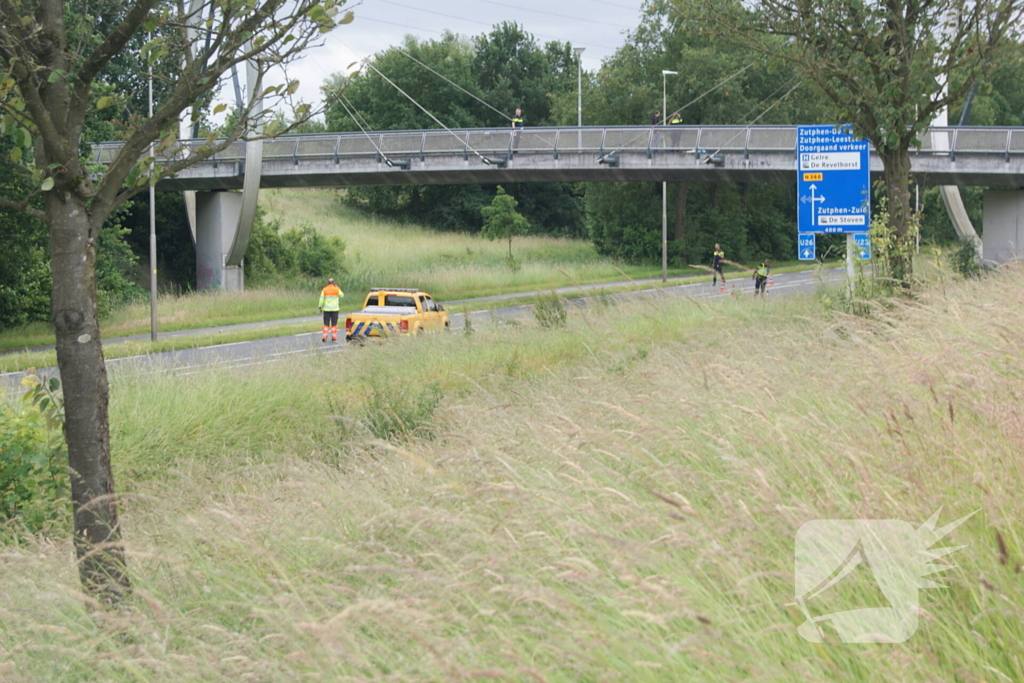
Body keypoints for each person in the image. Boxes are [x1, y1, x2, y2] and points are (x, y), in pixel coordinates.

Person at [318, 277, 344, 342]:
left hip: (326, 310)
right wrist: (337, 287)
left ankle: (324, 337)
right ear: (334, 283)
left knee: (326, 324)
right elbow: (342, 295)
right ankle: (334, 337)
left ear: (328, 283)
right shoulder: (336, 289)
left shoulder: (324, 289)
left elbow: (321, 299)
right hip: (335, 309)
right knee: (334, 324)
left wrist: (320, 307)